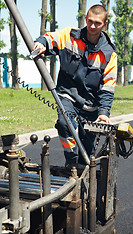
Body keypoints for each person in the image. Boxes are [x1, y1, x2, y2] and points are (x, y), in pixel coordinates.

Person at [33, 4, 117, 167]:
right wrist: (41, 43)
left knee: (86, 157)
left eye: (97, 23)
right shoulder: (69, 36)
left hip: (90, 107)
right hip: (67, 96)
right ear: (85, 19)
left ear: (104, 24)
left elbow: (108, 86)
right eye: (90, 21)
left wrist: (104, 112)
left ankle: (82, 175)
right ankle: (70, 162)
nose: (92, 26)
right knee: (65, 124)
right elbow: (50, 38)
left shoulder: (109, 54)